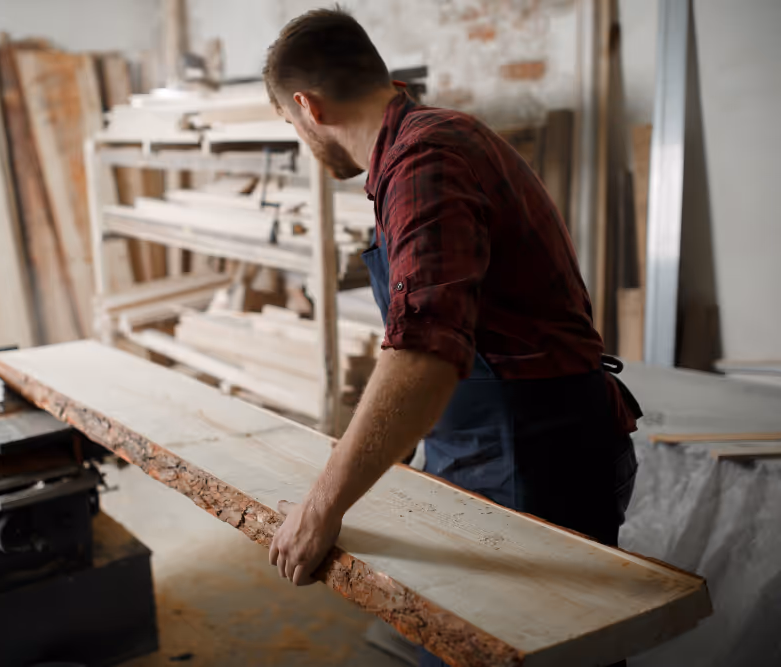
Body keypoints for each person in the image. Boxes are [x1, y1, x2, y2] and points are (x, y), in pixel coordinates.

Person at [263, 8, 642, 666]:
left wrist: (321, 506)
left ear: (307, 107)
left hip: (532, 459)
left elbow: (424, 353)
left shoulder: (424, 160)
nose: (300, 138)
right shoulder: (423, 143)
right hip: (494, 445)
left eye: (289, 126)